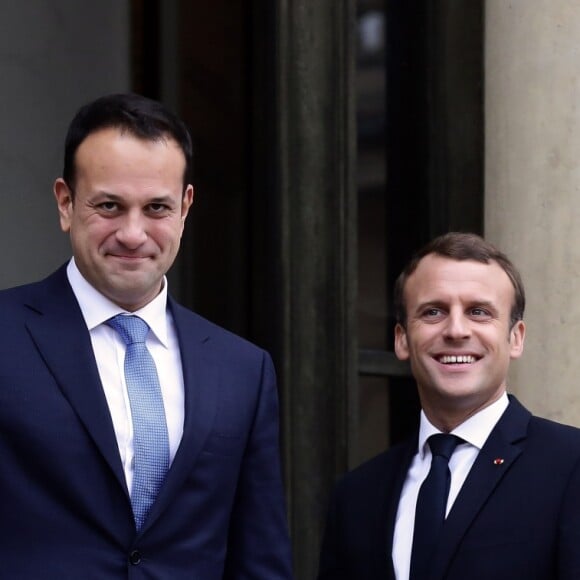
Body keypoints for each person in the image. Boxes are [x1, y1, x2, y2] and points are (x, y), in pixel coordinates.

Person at [0, 93, 292, 578]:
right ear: (66, 203)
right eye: (109, 206)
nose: (133, 234)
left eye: (156, 207)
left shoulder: (243, 369)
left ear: (185, 207)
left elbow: (258, 558)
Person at [318, 232, 580, 580]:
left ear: (515, 338)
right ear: (401, 340)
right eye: (433, 311)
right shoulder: (356, 495)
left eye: (479, 312)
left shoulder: (570, 466)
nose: (456, 330)